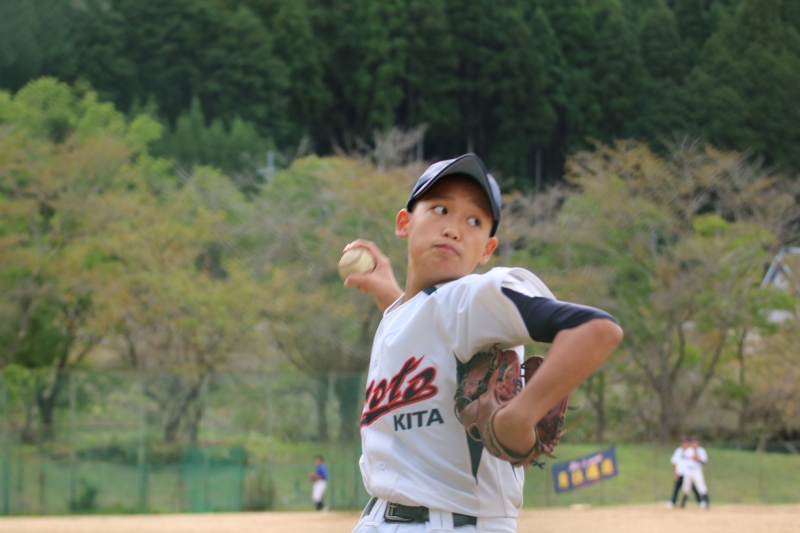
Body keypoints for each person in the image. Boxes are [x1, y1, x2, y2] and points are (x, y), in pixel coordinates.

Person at [343, 154, 623, 532]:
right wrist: (391, 295)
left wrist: (519, 416)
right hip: (378, 519)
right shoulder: (405, 313)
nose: (453, 229)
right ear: (404, 223)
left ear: (487, 249)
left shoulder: (474, 297)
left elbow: (597, 329)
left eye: (474, 220)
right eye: (440, 209)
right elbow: (425, 325)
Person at [668, 437, 701, 508]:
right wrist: (675, 473)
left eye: (686, 443)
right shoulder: (678, 451)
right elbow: (674, 463)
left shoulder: (691, 451)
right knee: (676, 488)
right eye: (683, 443)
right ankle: (673, 502)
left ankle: (700, 501)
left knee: (693, 488)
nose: (684, 444)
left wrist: (695, 449)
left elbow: (696, 459)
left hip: (688, 473)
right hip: (680, 473)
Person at [680, 436, 710, 509]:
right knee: (686, 486)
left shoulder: (701, 451)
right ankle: (683, 502)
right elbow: (683, 457)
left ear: (698, 443)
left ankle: (707, 501)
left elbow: (704, 461)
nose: (694, 443)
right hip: (688, 470)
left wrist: (697, 459)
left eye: (695, 442)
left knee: (701, 485)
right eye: (693, 442)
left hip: (696, 470)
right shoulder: (688, 450)